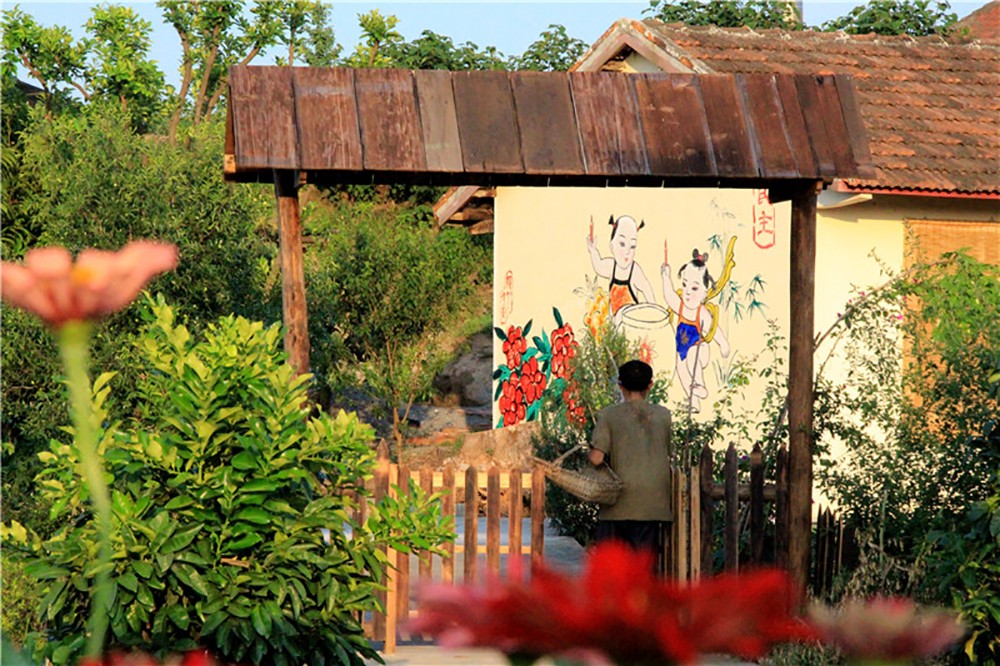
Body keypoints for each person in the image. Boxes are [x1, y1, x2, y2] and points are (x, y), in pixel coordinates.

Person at [588, 360, 673, 561]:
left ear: (620, 385)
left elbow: (596, 458)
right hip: (653, 504)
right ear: (650, 385)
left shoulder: (609, 415)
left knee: (612, 569)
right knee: (643, 569)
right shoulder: (663, 415)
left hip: (618, 504)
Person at [661, 247, 732, 413]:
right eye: (685, 285)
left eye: (694, 288)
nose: (687, 292)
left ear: (704, 292)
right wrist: (666, 277)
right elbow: (669, 295)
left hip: (699, 349)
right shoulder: (680, 306)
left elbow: (716, 331)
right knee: (681, 370)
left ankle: (700, 384)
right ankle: (693, 402)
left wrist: (723, 344)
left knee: (693, 356)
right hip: (681, 350)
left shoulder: (702, 313)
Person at [586, 215, 656, 321]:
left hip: (632, 323)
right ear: (612, 246)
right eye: (622, 244)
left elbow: (647, 290)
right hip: (615, 325)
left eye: (632, 246)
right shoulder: (611, 266)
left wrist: (654, 312)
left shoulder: (634, 271)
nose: (627, 252)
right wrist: (593, 251)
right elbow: (599, 267)